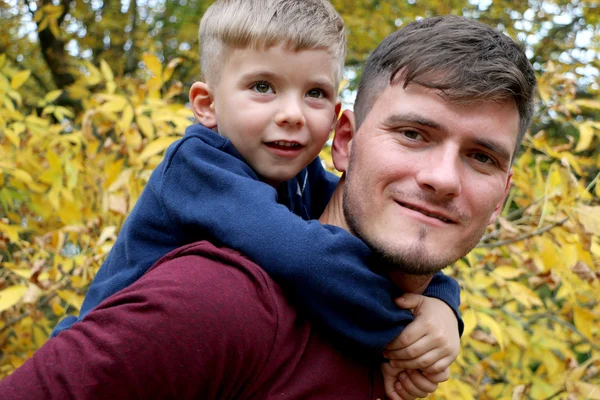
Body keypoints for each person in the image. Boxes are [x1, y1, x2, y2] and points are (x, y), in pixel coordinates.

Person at [0, 14, 536, 400]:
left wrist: (442, 303)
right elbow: (304, 254)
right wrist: (395, 324)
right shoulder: (217, 290)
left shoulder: (297, 178)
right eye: (414, 133)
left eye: (481, 157)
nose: (441, 179)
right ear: (345, 141)